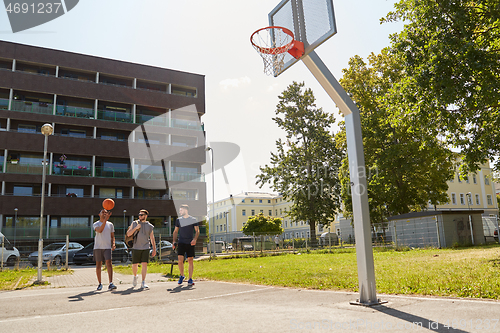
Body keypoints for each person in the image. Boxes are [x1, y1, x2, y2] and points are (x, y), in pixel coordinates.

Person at [126, 209, 156, 289]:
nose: (140, 216)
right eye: (139, 215)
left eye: (142, 215)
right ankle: (135, 276)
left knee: (144, 264)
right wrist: (135, 228)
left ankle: (143, 282)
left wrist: (154, 249)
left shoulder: (150, 226)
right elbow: (128, 234)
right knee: (134, 264)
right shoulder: (134, 223)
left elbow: (152, 238)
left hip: (146, 247)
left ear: (146, 216)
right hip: (136, 247)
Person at [172, 204, 199, 286]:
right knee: (180, 260)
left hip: (190, 243)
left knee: (190, 260)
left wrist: (195, 239)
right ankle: (182, 275)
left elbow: (197, 231)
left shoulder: (193, 219)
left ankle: (190, 279)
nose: (180, 211)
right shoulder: (178, 220)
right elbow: (175, 231)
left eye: (181, 210)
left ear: (185, 210)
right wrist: (174, 241)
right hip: (181, 242)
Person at [93, 209, 117, 291]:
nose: (104, 214)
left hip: (107, 247)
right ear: (99, 214)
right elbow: (100, 230)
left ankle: (111, 283)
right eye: (102, 212)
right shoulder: (96, 224)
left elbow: (112, 236)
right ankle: (100, 283)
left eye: (106, 212)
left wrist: (113, 244)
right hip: (98, 247)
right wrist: (105, 220)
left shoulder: (110, 224)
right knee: (98, 265)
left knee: (109, 264)